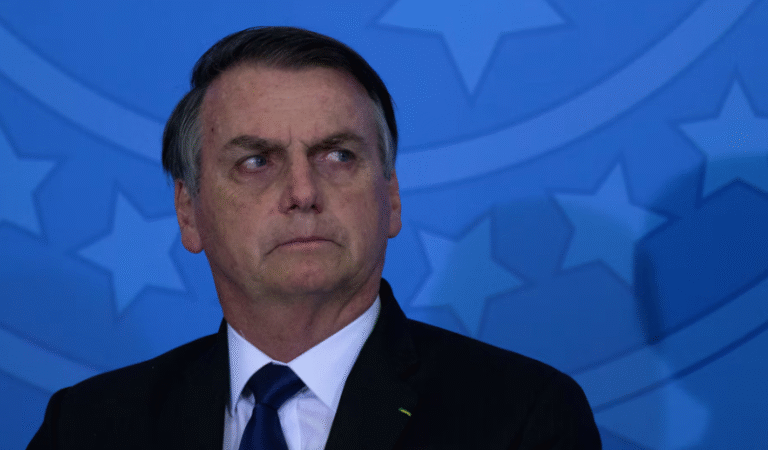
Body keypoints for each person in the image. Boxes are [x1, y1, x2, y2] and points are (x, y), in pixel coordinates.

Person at [27, 26, 601, 449]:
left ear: (392, 197)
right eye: (256, 162)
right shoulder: (88, 427)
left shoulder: (521, 417)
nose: (303, 192)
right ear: (189, 212)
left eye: (338, 155)